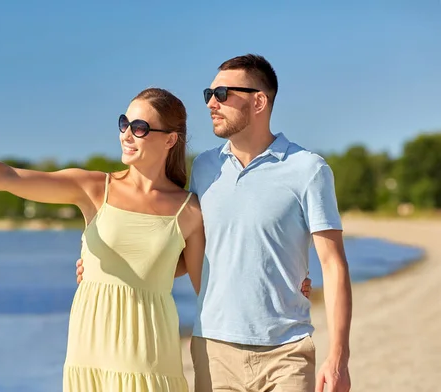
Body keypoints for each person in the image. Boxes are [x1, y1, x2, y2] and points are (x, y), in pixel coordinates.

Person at [0, 87, 207, 391]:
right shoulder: (94, 188)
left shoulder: (188, 210)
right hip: (88, 354)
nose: (126, 135)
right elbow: (9, 178)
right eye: (124, 123)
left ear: (170, 140)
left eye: (140, 128)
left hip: (148, 357)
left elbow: (205, 291)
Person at [77, 54, 352, 392]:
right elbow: (184, 253)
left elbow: (334, 265)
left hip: (287, 349)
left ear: (259, 101)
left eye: (222, 94)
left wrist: (338, 357)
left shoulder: (308, 169)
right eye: (208, 94)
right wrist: (106, 264)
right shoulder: (205, 169)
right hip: (213, 351)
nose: (211, 103)